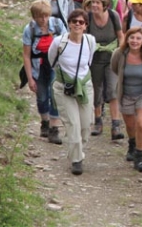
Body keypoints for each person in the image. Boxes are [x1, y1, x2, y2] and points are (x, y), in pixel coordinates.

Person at [48, 9, 97, 175]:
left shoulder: (90, 41)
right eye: (74, 21)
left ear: (86, 26)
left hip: (84, 86)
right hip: (64, 87)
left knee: (85, 125)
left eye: (81, 22)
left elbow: (88, 62)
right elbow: (52, 61)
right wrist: (65, 77)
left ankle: (77, 150)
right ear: (68, 24)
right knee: (73, 124)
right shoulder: (59, 42)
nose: (77, 24)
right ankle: (77, 160)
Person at [110, 27, 142, 172]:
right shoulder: (119, 54)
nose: (135, 41)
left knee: (141, 124)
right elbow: (115, 68)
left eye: (138, 38)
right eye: (132, 38)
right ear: (127, 39)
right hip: (126, 94)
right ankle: (132, 143)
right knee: (130, 126)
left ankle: (140, 155)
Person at [22, 0, 67, 144]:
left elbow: (66, 44)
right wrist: (30, 78)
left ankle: (54, 129)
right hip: (38, 66)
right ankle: (45, 122)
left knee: (55, 95)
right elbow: (27, 56)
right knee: (41, 96)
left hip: (55, 65)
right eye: (40, 16)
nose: (43, 19)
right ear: (34, 16)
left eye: (46, 16)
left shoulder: (57, 25)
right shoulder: (29, 30)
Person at [87, 0, 125, 140]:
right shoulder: (88, 17)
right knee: (97, 89)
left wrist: (120, 54)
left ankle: (116, 125)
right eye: (93, 2)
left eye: (97, 3)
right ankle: (98, 122)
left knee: (112, 90)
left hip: (111, 58)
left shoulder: (113, 16)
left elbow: (121, 36)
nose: (94, 5)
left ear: (105, 5)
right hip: (94, 58)